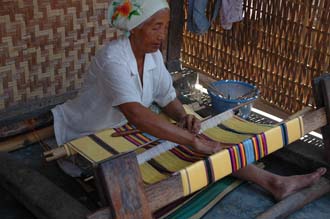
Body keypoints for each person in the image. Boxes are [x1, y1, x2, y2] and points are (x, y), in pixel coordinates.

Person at [51, 0, 326, 201]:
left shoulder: (153, 57)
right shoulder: (113, 59)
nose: (162, 35)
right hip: (87, 138)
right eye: (156, 27)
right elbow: (136, 114)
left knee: (203, 143)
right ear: (134, 28)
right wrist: (189, 140)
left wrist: (183, 116)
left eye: (165, 27)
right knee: (189, 147)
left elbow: (166, 97)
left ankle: (274, 182)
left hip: (120, 132)